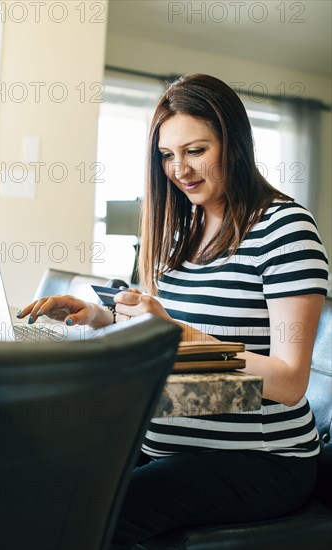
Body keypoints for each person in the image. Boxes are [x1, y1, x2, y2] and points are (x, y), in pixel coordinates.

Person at [18, 74, 329, 548]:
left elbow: (289, 381)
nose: (180, 169)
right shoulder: (183, 229)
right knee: (43, 481)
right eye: (167, 155)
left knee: (90, 516)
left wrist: (177, 333)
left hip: (261, 458)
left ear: (235, 144)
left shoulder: (285, 229)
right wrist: (98, 316)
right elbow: (157, 322)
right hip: (166, 443)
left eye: (195, 150)